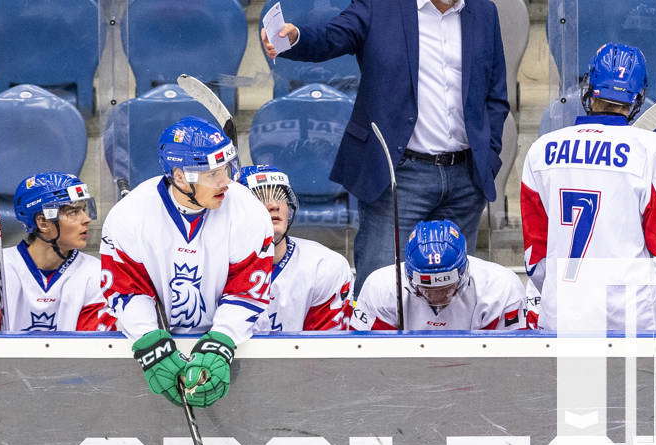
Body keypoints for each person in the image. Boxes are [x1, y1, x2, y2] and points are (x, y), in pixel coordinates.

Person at [261, 0, 509, 292]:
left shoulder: (484, 13)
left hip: (464, 178)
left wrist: (486, 157)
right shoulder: (378, 2)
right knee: (380, 286)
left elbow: (495, 96)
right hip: (399, 175)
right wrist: (295, 39)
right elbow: (333, 37)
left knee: (454, 291)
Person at [521, 43, 656, 331]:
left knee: (577, 379)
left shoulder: (541, 151)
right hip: (635, 319)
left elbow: (536, 261)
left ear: (588, 88)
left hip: (564, 314)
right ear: (638, 98)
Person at [100, 117, 273, 407]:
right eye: (212, 174)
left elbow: (246, 290)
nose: (226, 182)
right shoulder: (129, 216)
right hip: (157, 341)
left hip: (235, 344)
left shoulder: (248, 212)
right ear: (180, 176)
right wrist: (151, 343)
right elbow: (127, 290)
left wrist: (221, 342)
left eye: (226, 169)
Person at [0, 172, 109, 331]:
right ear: (43, 222)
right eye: (73, 212)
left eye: (84, 209)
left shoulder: (97, 274)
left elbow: (96, 349)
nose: (86, 219)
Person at [351, 219, 525, 331]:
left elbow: (512, 360)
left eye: (446, 287)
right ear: (409, 277)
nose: (437, 296)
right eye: (427, 288)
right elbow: (367, 359)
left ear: (464, 272)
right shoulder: (380, 287)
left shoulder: (501, 286)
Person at [236, 165, 353, 332]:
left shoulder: (323, 266)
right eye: (260, 197)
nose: (274, 205)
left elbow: (325, 351)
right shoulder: (214, 264)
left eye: (280, 196)